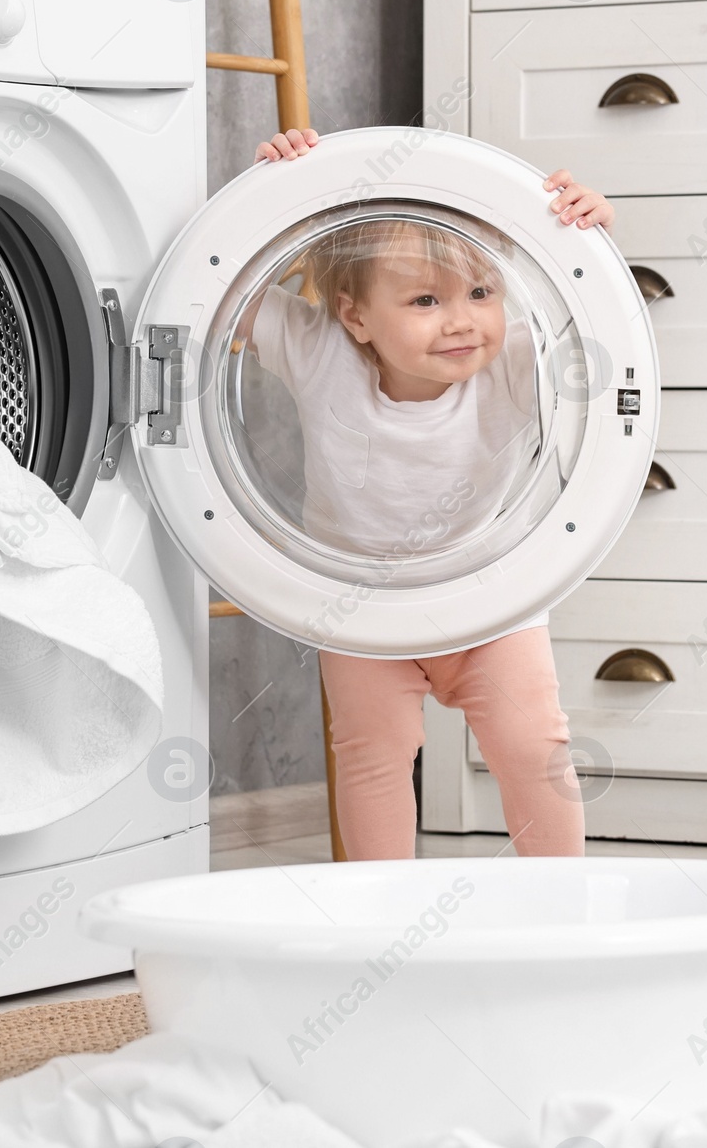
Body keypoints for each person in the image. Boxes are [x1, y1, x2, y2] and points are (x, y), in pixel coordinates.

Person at [242, 127, 615, 860]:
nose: (461, 320)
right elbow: (221, 291)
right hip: (361, 607)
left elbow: (595, 326)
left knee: (532, 745)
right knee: (371, 755)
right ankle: (380, 916)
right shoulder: (319, 348)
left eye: (481, 291)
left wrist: (588, 240)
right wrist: (273, 192)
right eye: (424, 298)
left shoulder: (511, 359)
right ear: (355, 316)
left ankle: (565, 905)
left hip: (493, 601)